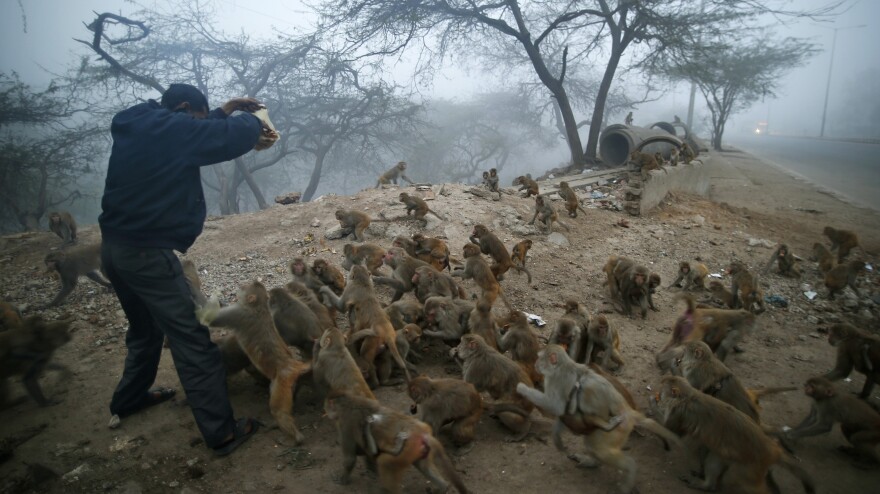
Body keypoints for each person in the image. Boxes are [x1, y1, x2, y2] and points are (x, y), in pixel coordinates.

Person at [99, 83, 271, 456]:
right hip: (146, 254)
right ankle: (222, 432)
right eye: (197, 117)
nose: (198, 126)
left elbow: (190, 129)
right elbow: (223, 138)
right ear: (181, 108)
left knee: (144, 329)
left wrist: (222, 110)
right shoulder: (170, 130)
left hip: (113, 248)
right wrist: (252, 119)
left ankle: (129, 398)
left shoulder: (142, 122)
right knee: (192, 340)